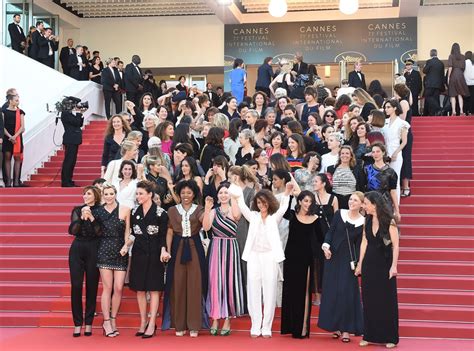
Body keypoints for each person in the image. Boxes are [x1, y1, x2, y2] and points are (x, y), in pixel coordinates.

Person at [230, 182, 292, 338]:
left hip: (270, 256)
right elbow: (243, 206)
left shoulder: (274, 217)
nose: (261, 205)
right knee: (253, 289)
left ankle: (266, 327)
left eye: (264, 202)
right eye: (259, 202)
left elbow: (283, 207)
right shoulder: (253, 216)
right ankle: (255, 325)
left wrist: (287, 193)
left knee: (270, 290)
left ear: (269, 203)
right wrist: (236, 194)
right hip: (254, 256)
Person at [119, 180, 168, 339]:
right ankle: (143, 322)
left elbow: (163, 236)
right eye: (137, 193)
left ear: (150, 195)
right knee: (139, 289)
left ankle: (152, 322)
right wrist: (126, 245)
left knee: (154, 289)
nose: (138, 196)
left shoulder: (161, 213)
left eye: (141, 193)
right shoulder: (134, 212)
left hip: (155, 254)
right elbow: (133, 233)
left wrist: (163, 250)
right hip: (139, 253)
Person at [162, 180, 209, 337]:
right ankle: (179, 324)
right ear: (179, 194)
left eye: (189, 192)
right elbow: (169, 232)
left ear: (194, 194)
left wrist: (208, 209)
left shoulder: (200, 209)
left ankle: (195, 325)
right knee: (178, 285)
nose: (186, 195)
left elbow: (207, 226)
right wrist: (168, 250)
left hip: (195, 247)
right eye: (183, 193)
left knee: (195, 284)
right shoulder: (172, 210)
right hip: (177, 247)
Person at [319, 192, 364, 342]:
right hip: (333, 257)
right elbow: (330, 233)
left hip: (349, 261)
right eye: (351, 199)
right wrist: (326, 247)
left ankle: (346, 329)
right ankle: (335, 327)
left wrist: (358, 264)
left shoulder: (363, 222)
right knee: (333, 291)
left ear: (362, 204)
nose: (351, 202)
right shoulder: (339, 214)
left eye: (355, 200)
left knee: (346, 292)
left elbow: (360, 246)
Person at [356, 191, 400, 348]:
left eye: (366, 203)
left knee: (386, 301)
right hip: (369, 264)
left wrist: (394, 266)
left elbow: (395, 246)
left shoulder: (389, 221)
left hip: (385, 265)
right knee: (369, 300)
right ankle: (368, 335)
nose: (363, 205)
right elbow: (364, 242)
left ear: (374, 205)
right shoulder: (366, 220)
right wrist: (360, 264)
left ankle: (390, 337)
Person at [203, 184, 245, 336]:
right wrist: (207, 209)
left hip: (231, 248)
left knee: (229, 283)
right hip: (216, 248)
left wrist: (234, 197)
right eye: (220, 192)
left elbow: (237, 216)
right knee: (215, 283)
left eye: (226, 192)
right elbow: (206, 228)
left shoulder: (235, 207)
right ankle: (215, 317)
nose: (223, 195)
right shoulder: (213, 211)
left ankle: (227, 318)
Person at [281, 191, 318, 339]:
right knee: (291, 292)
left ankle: (302, 329)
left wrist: (327, 248)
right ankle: (290, 327)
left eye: (310, 201)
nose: (308, 204)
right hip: (290, 258)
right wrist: (288, 194)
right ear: (300, 201)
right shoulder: (291, 215)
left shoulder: (315, 218)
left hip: (306, 259)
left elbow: (322, 238)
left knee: (304, 293)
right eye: (305, 201)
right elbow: (282, 212)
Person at [95, 184, 130, 337]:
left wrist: (126, 246)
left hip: (120, 251)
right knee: (107, 287)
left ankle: (113, 319)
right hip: (104, 250)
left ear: (116, 194)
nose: (109, 196)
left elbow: (128, 233)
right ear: (103, 195)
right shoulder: (98, 212)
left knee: (119, 288)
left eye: (111, 193)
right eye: (106, 194)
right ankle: (107, 321)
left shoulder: (125, 209)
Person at [68, 186, 102, 337]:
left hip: (94, 249)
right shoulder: (77, 210)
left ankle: (88, 323)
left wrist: (92, 218)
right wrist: (82, 218)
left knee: (92, 285)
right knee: (76, 286)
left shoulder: (101, 211)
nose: (85, 196)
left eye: (88, 194)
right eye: (84, 194)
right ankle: (77, 323)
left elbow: (100, 232)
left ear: (95, 196)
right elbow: (72, 231)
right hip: (77, 248)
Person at [313, 173, 338, 305]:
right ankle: (317, 295)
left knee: (328, 264)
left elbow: (336, 219)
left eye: (316, 181)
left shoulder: (333, 199)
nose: (314, 183)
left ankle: (329, 293)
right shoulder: (311, 198)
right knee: (316, 264)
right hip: (315, 235)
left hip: (329, 235)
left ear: (323, 183)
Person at [364, 142, 400, 222]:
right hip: (370, 203)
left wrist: (397, 211)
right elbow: (363, 188)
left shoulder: (391, 172)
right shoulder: (366, 169)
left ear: (383, 152)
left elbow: (393, 192)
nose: (375, 154)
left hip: (385, 203)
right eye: (373, 152)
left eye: (378, 151)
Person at [382, 99, 409, 201]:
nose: (386, 109)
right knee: (384, 180)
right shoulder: (384, 122)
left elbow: (404, 141)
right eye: (385, 107)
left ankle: (396, 205)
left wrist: (396, 153)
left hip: (396, 152)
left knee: (395, 180)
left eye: (388, 107)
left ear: (395, 108)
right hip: (383, 153)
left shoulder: (402, 123)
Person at [2, 94, 25, 187]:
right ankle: (8, 182)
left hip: (17, 139)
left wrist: (14, 136)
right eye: (16, 100)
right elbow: (2, 126)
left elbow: (22, 127)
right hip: (7, 139)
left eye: (18, 100)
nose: (18, 102)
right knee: (7, 159)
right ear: (10, 101)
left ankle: (16, 182)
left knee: (17, 159)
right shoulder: (3, 111)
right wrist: (10, 137)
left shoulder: (21, 112)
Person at [448, 43, 470, 116]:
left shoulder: (451, 56)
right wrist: (460, 73)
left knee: (453, 94)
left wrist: (448, 77)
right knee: (460, 94)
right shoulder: (463, 56)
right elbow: (464, 67)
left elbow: (450, 67)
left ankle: (453, 111)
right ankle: (461, 111)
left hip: (453, 75)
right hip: (460, 75)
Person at [423, 49, 445, 116]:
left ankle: (438, 109)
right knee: (436, 98)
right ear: (436, 54)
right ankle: (436, 114)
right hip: (438, 84)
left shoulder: (429, 61)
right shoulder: (441, 63)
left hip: (430, 84)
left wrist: (424, 67)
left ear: (430, 54)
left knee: (428, 97)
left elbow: (424, 71)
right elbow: (442, 75)